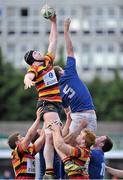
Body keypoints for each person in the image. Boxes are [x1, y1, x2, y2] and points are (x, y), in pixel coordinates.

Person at [23, 14, 62, 178]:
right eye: (35, 52)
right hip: (47, 103)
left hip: (56, 103)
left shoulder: (47, 61)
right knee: (55, 131)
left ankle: (49, 171)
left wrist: (54, 22)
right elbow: (28, 76)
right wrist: (27, 80)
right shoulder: (34, 69)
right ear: (33, 60)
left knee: (50, 136)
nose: (39, 52)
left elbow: (53, 41)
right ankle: (51, 170)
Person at [54, 18, 97, 134]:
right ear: (61, 72)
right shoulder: (69, 73)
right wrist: (66, 31)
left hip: (76, 117)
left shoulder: (58, 92)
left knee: (72, 148)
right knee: (86, 149)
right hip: (90, 115)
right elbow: (70, 51)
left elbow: (67, 111)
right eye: (62, 69)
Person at [8, 108, 45, 179]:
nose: (23, 137)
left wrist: (46, 122)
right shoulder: (16, 153)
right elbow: (29, 136)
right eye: (21, 137)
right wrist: (38, 118)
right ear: (17, 143)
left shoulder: (28, 151)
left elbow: (41, 139)